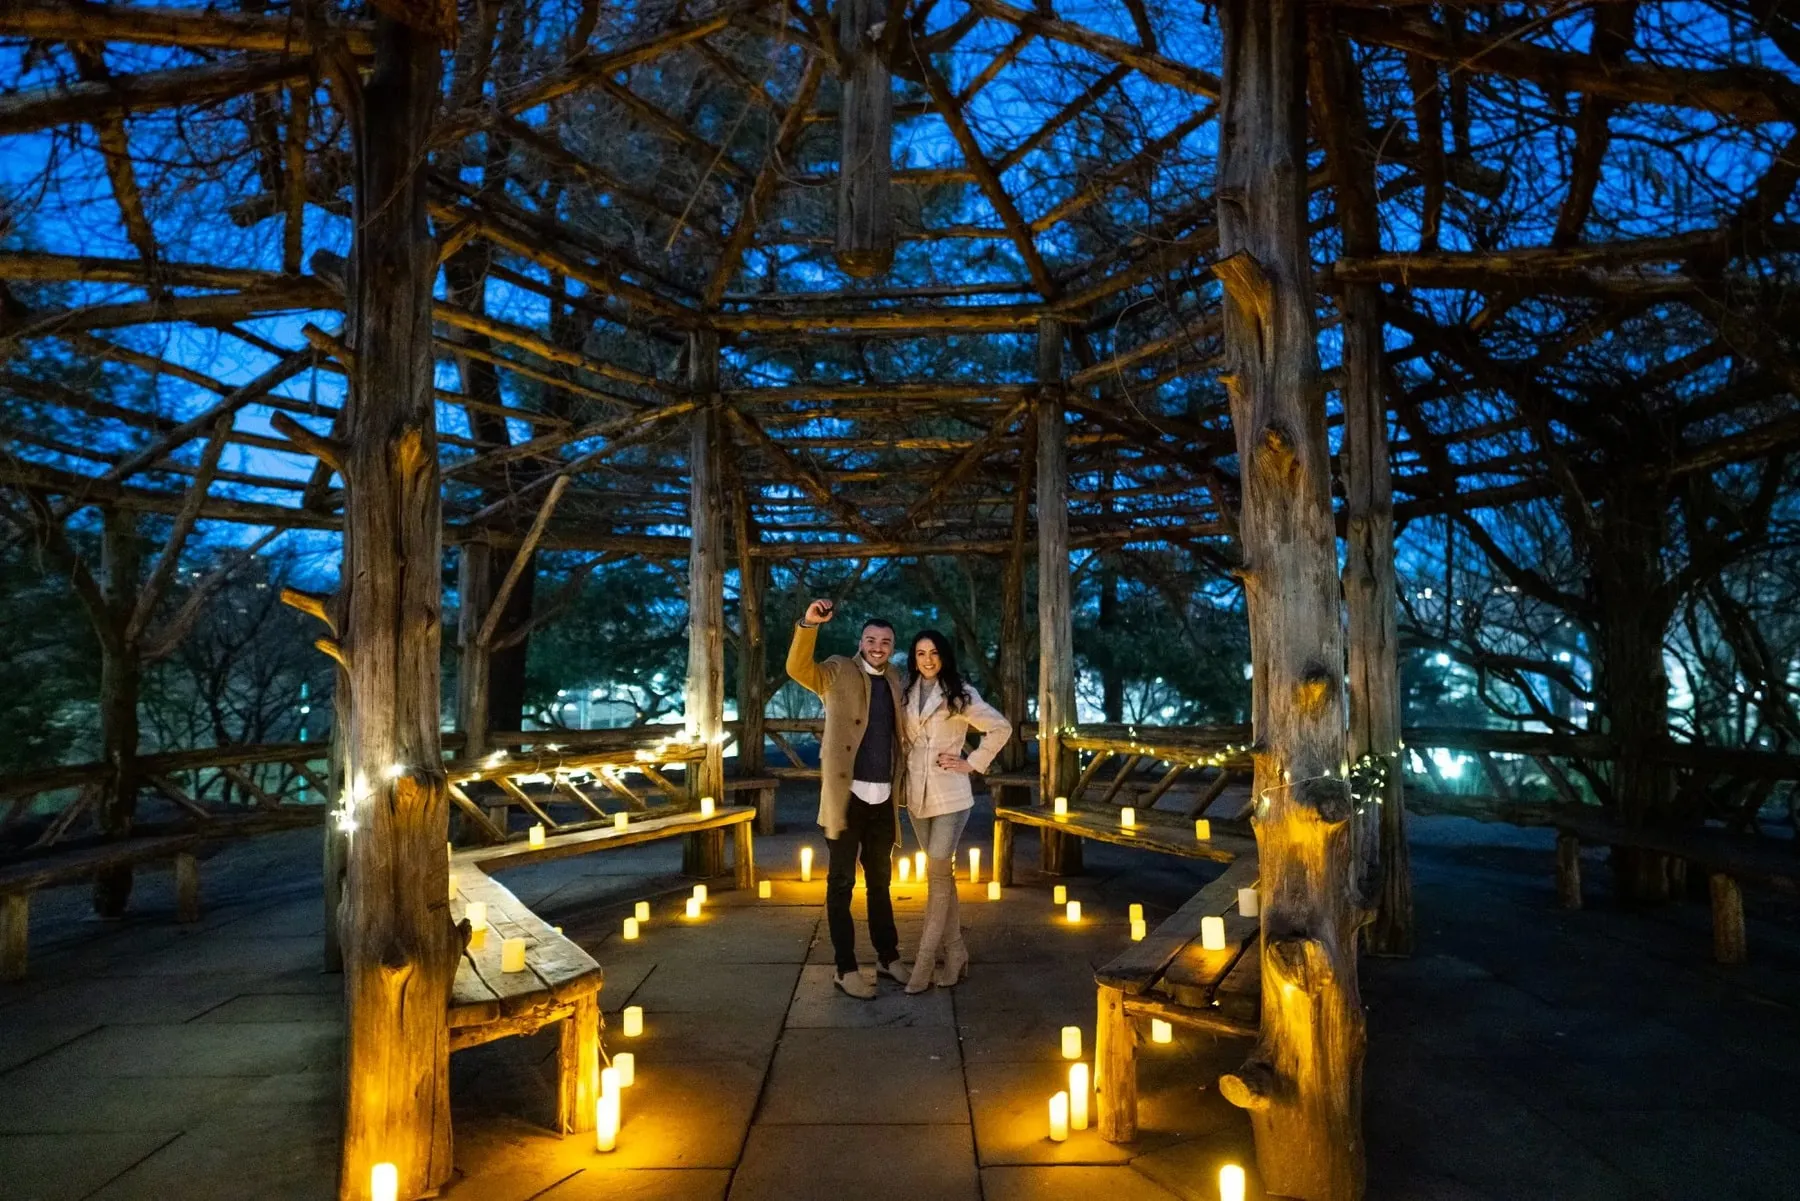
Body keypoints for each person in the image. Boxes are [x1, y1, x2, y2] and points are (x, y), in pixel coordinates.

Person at [786, 598, 910, 999]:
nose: (878, 646)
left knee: (881, 883)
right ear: (861, 641)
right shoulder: (837, 670)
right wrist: (809, 623)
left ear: (893, 646)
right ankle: (845, 967)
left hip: (883, 800)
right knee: (841, 884)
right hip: (846, 799)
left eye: (885, 641)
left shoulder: (896, 679)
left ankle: (888, 957)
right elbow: (797, 668)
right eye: (871, 639)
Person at [900, 629, 1012, 993]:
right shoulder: (906, 693)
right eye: (920, 653)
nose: (927, 659)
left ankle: (924, 961)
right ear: (913, 658)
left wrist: (973, 762)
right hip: (916, 797)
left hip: (950, 796)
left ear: (944, 656)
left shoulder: (960, 694)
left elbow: (1000, 727)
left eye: (933, 652)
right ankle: (957, 951)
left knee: (936, 872)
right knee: (941, 877)